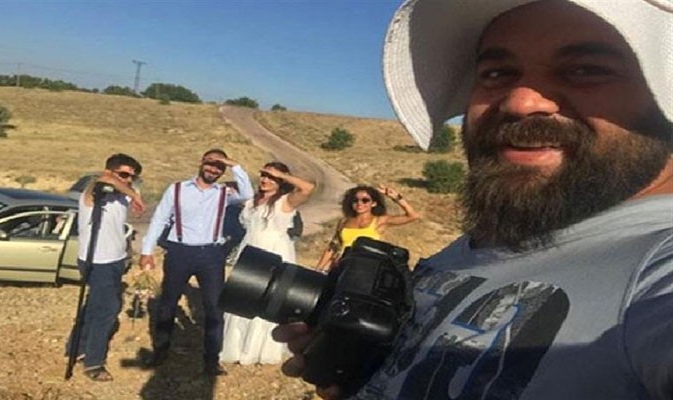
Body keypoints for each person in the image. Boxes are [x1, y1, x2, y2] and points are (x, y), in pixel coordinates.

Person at [273, 1, 673, 399]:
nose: (519, 102)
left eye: (585, 70)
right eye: (497, 73)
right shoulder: (484, 242)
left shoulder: (659, 269)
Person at [139, 148, 254, 376]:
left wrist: (233, 164)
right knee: (168, 303)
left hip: (211, 255)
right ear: (201, 163)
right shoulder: (177, 189)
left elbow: (248, 194)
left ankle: (212, 360)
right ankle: (161, 350)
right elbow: (159, 219)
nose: (213, 169)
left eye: (219, 167)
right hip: (179, 252)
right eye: (210, 163)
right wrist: (146, 250)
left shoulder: (224, 193)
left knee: (214, 308)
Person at [220, 161, 315, 365]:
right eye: (263, 175)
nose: (265, 180)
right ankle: (236, 348)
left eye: (271, 177)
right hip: (250, 251)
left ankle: (259, 350)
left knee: (266, 301)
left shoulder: (284, 202)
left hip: (274, 252)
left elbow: (307, 188)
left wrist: (282, 174)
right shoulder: (250, 202)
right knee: (242, 297)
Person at [67, 153, 145, 382]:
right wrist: (134, 195)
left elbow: (125, 191)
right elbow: (106, 180)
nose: (127, 180)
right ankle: (93, 362)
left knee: (93, 306)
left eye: (131, 177)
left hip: (115, 260)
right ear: (109, 171)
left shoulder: (120, 195)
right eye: (123, 174)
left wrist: (132, 193)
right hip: (98, 260)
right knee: (106, 311)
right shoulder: (94, 191)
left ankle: (76, 347)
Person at [316, 184, 419, 272]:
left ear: (373, 203)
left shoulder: (379, 221)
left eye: (365, 200)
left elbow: (412, 216)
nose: (360, 203)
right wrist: (318, 269)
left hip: (364, 269)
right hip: (340, 267)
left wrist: (396, 197)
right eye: (355, 200)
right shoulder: (344, 222)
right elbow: (333, 247)